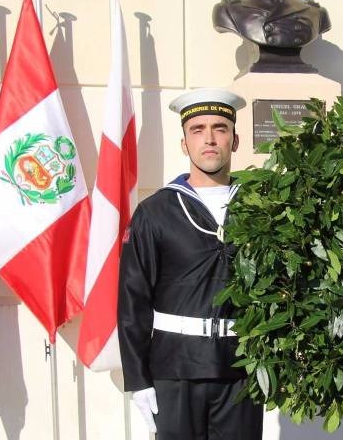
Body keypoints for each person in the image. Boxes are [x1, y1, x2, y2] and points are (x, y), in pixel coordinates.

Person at [118, 88, 262, 439]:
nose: (209, 139)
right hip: (175, 369)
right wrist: (138, 380)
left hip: (241, 368)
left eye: (220, 128)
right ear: (184, 144)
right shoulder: (155, 212)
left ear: (236, 139)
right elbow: (132, 300)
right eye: (197, 130)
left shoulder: (261, 207)